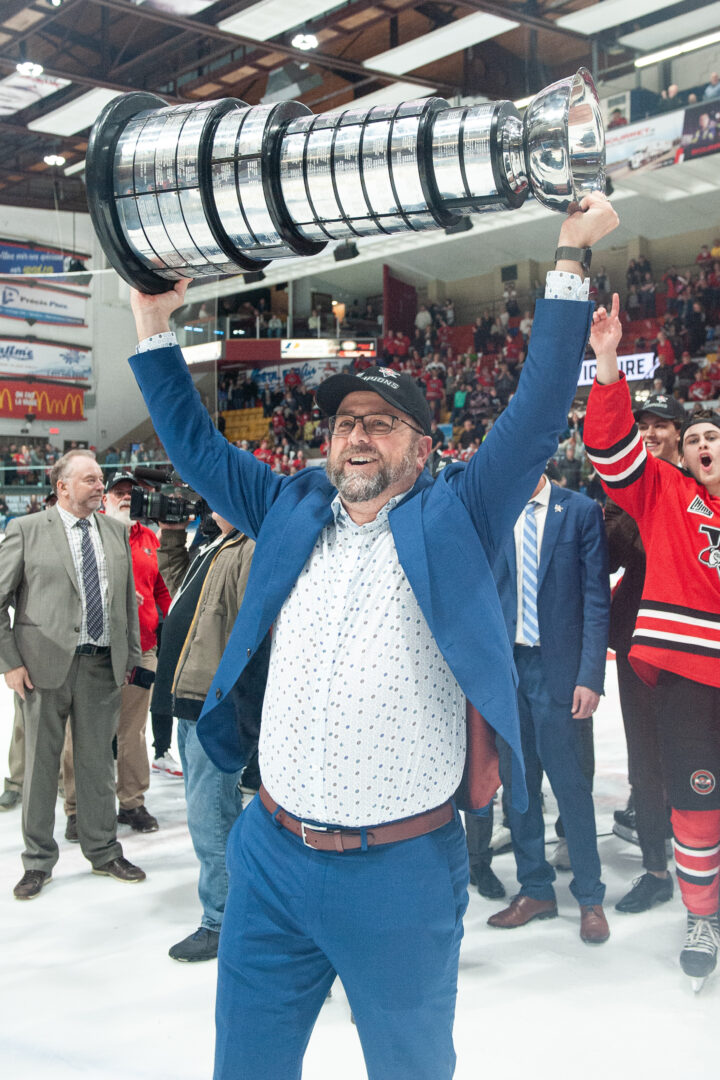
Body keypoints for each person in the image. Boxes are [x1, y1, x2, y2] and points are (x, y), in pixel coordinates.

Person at [128, 194, 618, 1079]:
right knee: (245, 1066)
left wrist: (571, 255)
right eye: (345, 421)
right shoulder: (289, 505)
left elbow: (542, 409)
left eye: (381, 421)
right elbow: (197, 450)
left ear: (422, 448)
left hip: (397, 872)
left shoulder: (459, 514)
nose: (356, 436)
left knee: (410, 1069)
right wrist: (154, 325)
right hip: (271, 857)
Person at [585, 294, 720, 989]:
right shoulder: (667, 493)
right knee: (695, 799)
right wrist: (609, 363)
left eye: (712, 436)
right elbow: (611, 450)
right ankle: (702, 911)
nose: (701, 444)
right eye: (693, 438)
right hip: (690, 677)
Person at [0, 449, 145, 900]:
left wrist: (131, 656)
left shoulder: (116, 532)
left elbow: (126, 603)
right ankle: (38, 861)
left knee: (97, 765)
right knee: (42, 768)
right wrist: (10, 662)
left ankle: (103, 851)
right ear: (62, 487)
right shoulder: (25, 530)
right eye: (90, 480)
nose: (100, 486)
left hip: (101, 666)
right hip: (41, 670)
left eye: (101, 479)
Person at [486, 474, 610, 943]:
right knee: (518, 788)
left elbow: (597, 597)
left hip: (558, 671)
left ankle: (590, 896)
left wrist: (589, 676)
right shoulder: (494, 512)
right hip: (508, 671)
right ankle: (535, 887)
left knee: (571, 786)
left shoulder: (578, 510)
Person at [157, 512, 270, 962]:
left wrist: (237, 708)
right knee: (206, 812)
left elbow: (251, 637)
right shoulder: (214, 543)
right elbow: (178, 584)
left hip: (213, 703)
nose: (208, 503)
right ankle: (229, 911)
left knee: (212, 816)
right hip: (190, 696)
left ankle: (222, 921)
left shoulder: (248, 547)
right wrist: (170, 532)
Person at [605, 393, 685, 914]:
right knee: (646, 762)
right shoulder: (625, 488)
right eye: (644, 426)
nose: (651, 433)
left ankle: (700, 856)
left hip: (697, 642)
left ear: (680, 432)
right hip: (638, 643)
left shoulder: (702, 485)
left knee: (701, 753)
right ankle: (656, 868)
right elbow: (610, 553)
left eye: (660, 426)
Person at [62, 471, 171, 838]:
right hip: (94, 652)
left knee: (132, 732)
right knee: (81, 732)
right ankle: (77, 808)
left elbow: (161, 591)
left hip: (142, 650)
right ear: (104, 497)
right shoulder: (85, 534)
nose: (126, 497)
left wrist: (165, 624)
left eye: (132, 492)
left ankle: (132, 802)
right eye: (119, 492)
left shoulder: (150, 539)